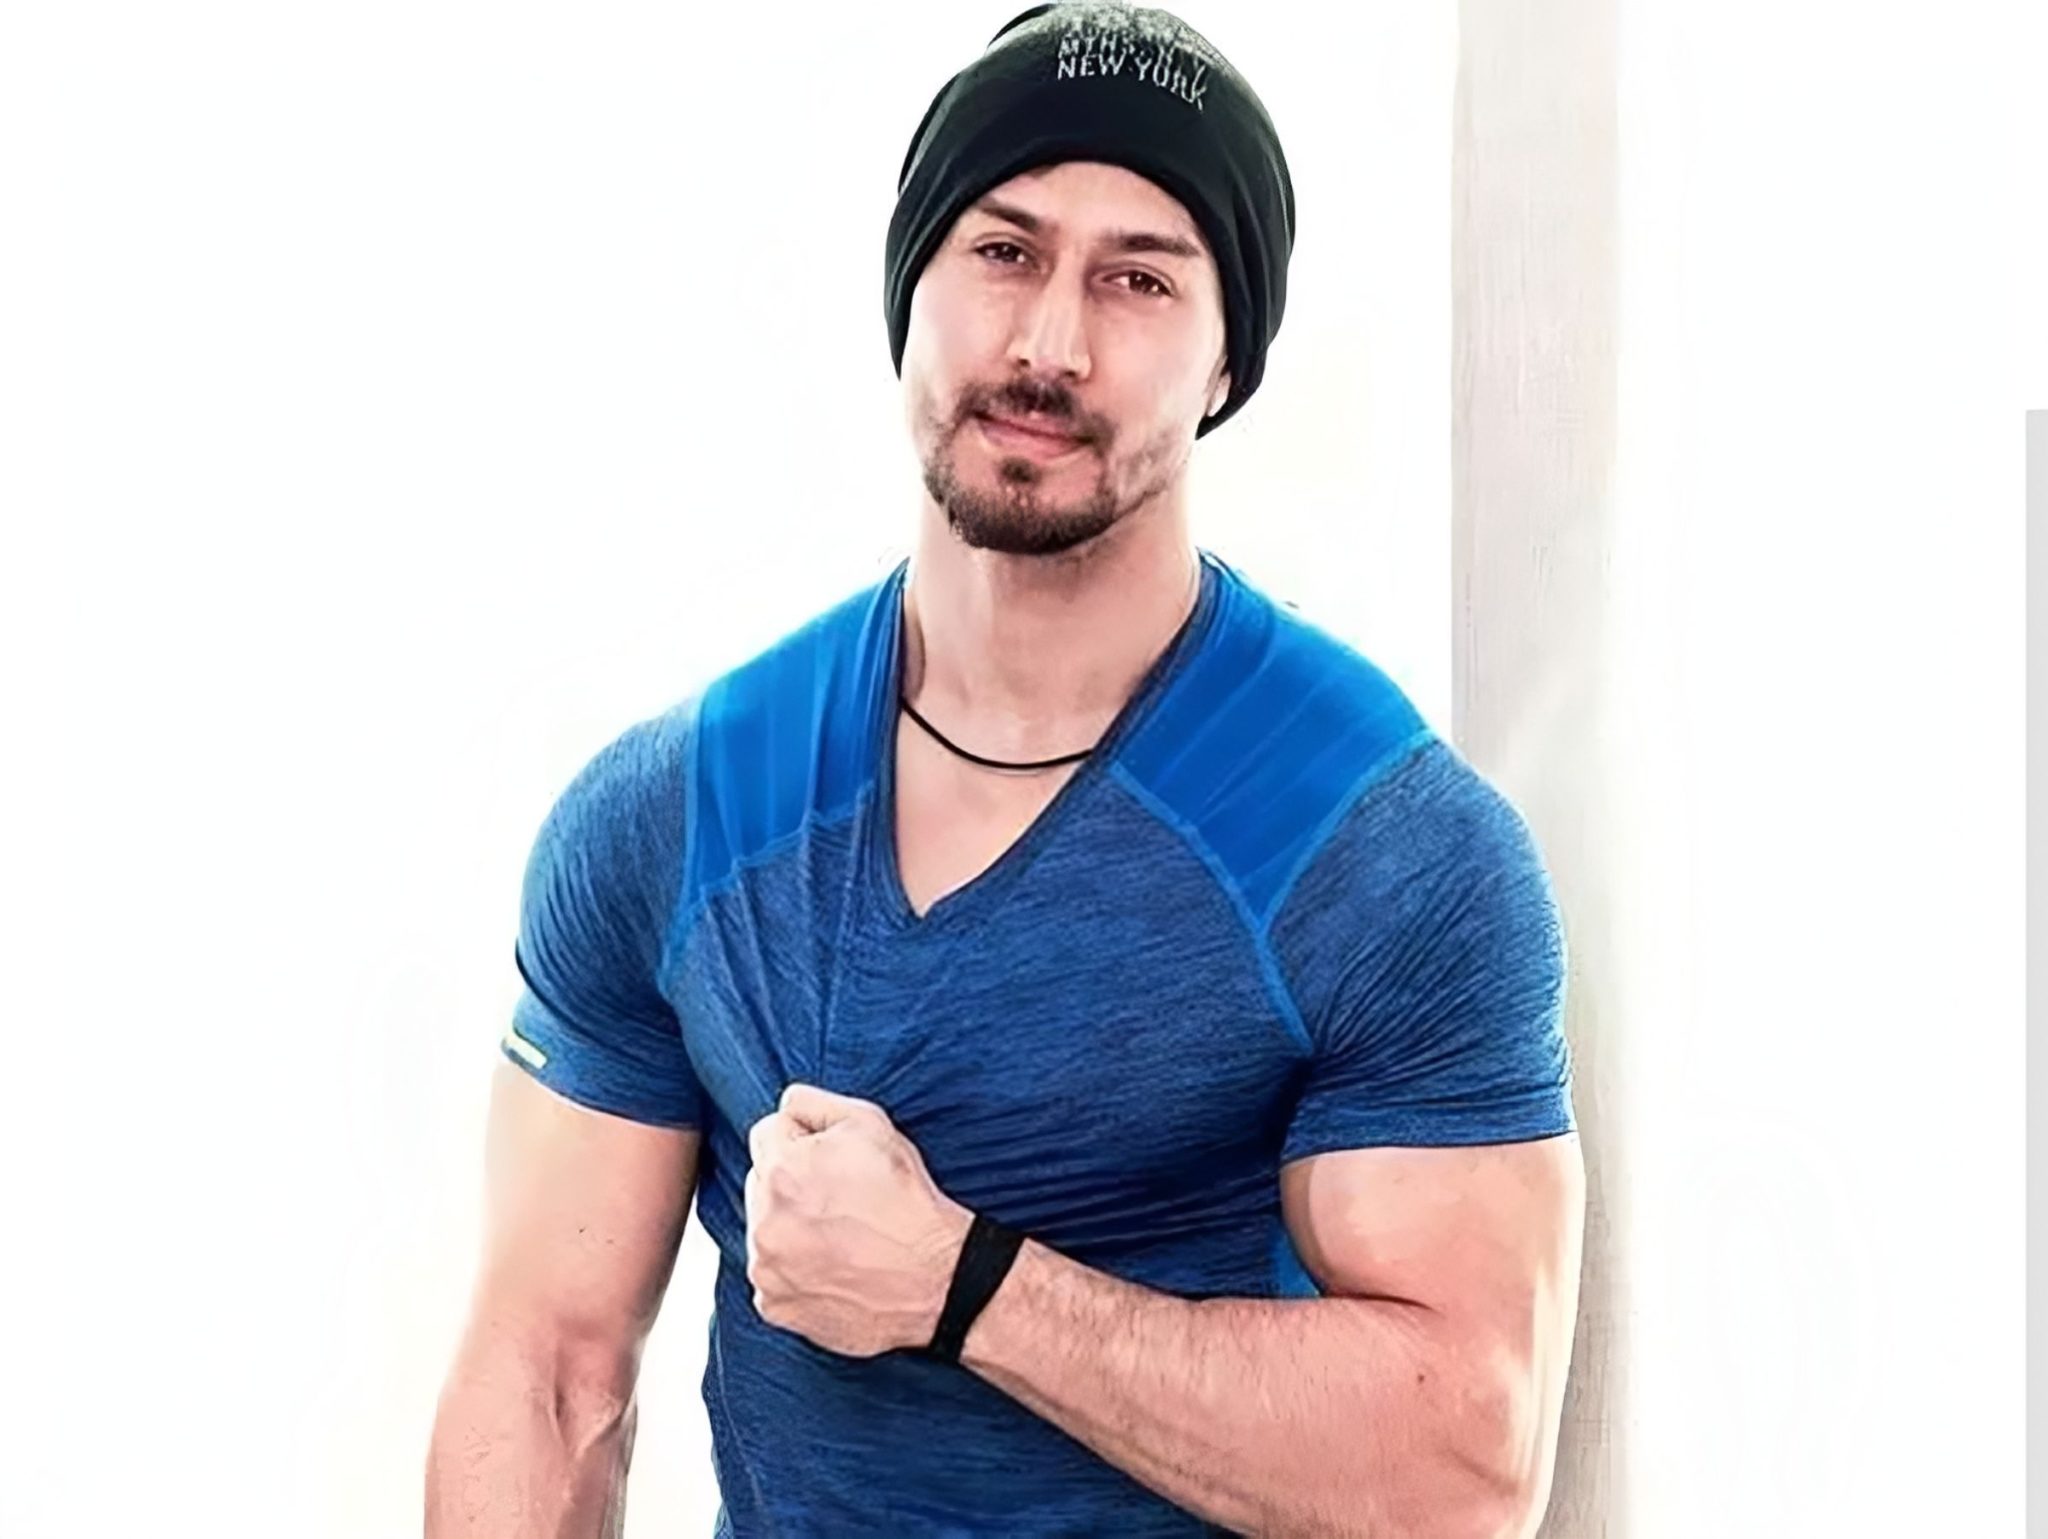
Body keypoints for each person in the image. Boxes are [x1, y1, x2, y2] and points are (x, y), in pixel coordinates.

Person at [426, 3, 1585, 1535]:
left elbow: (1464, 1472)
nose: (1050, 344)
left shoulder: (1381, 851)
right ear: (911, 288)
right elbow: (549, 1378)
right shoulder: (678, 816)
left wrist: (967, 1287)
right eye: (1003, 250)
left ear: (1226, 359)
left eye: (1139, 278)